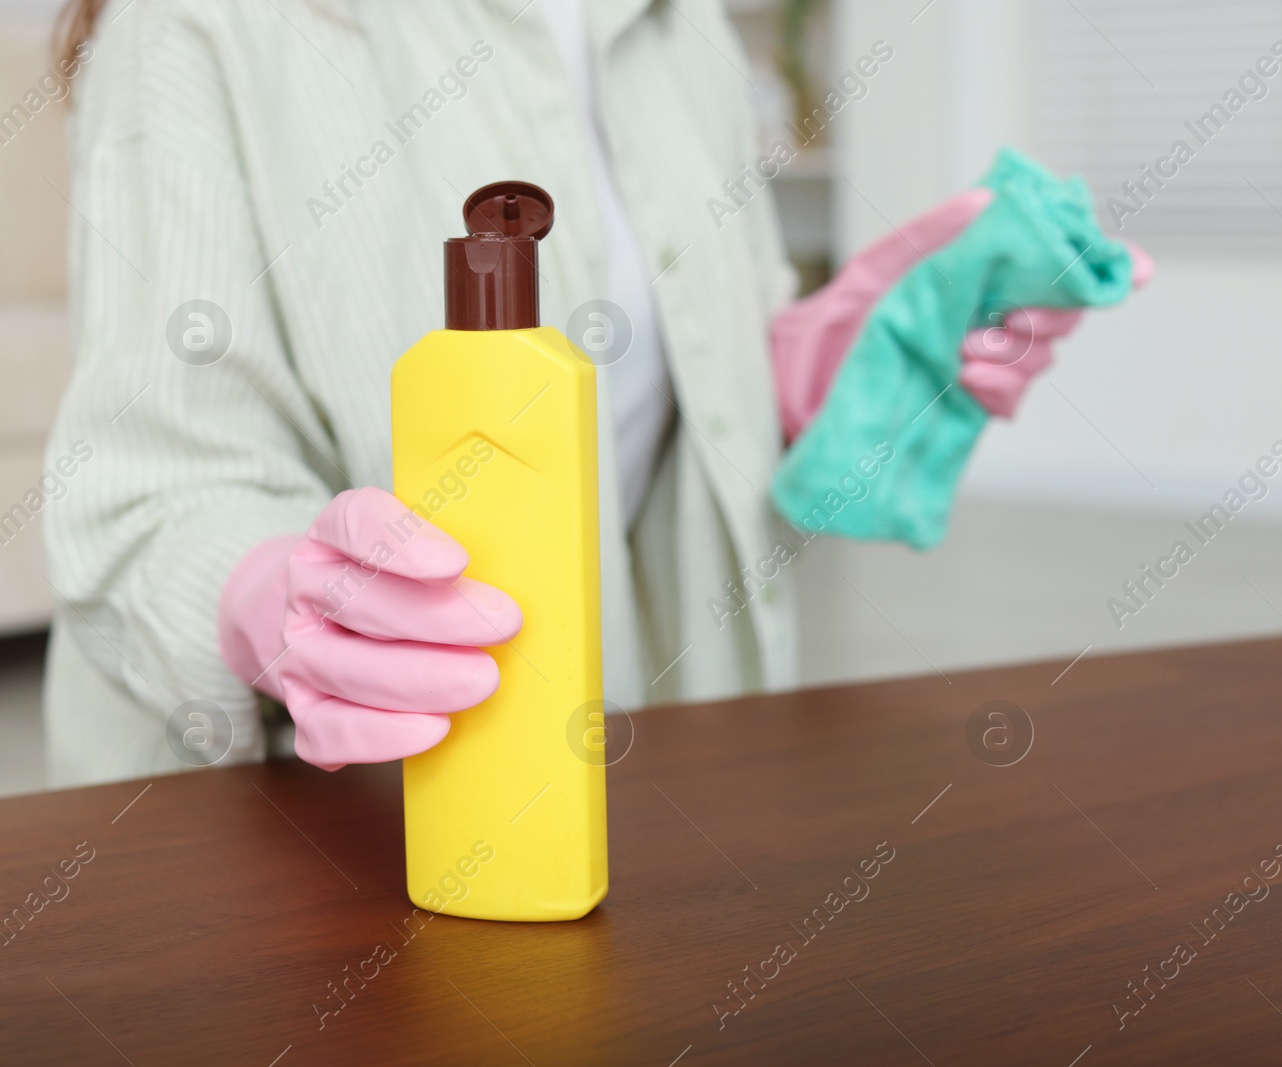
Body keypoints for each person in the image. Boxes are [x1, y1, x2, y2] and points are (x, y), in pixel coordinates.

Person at [41, 0, 1088, 786]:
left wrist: (847, 356)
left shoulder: (681, 30)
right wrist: (266, 601)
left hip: (606, 765)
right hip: (266, 844)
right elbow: (147, 496)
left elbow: (681, 388)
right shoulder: (195, 24)